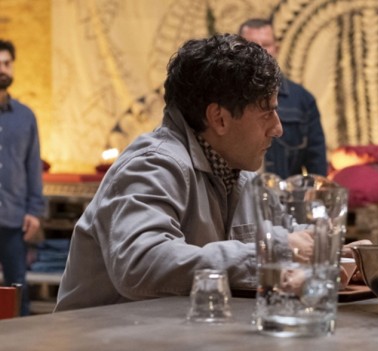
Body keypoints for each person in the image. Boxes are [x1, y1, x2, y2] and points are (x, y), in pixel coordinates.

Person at [55, 33, 298, 311]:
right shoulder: (152, 165)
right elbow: (141, 264)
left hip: (180, 336)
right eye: (267, 113)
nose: (278, 128)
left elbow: (289, 235)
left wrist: (328, 245)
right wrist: (273, 254)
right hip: (106, 338)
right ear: (219, 118)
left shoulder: (242, 174)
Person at [238, 18, 328, 179]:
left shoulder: (302, 100)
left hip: (283, 192)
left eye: (266, 45)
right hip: (235, 191)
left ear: (276, 48)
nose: (260, 51)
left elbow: (316, 163)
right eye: (251, 45)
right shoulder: (224, 96)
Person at [0, 39, 44, 316]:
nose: (2, 69)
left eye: (6, 63)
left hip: (13, 218)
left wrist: (34, 211)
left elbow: (32, 167)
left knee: (18, 290)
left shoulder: (26, 117)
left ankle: (19, 343)